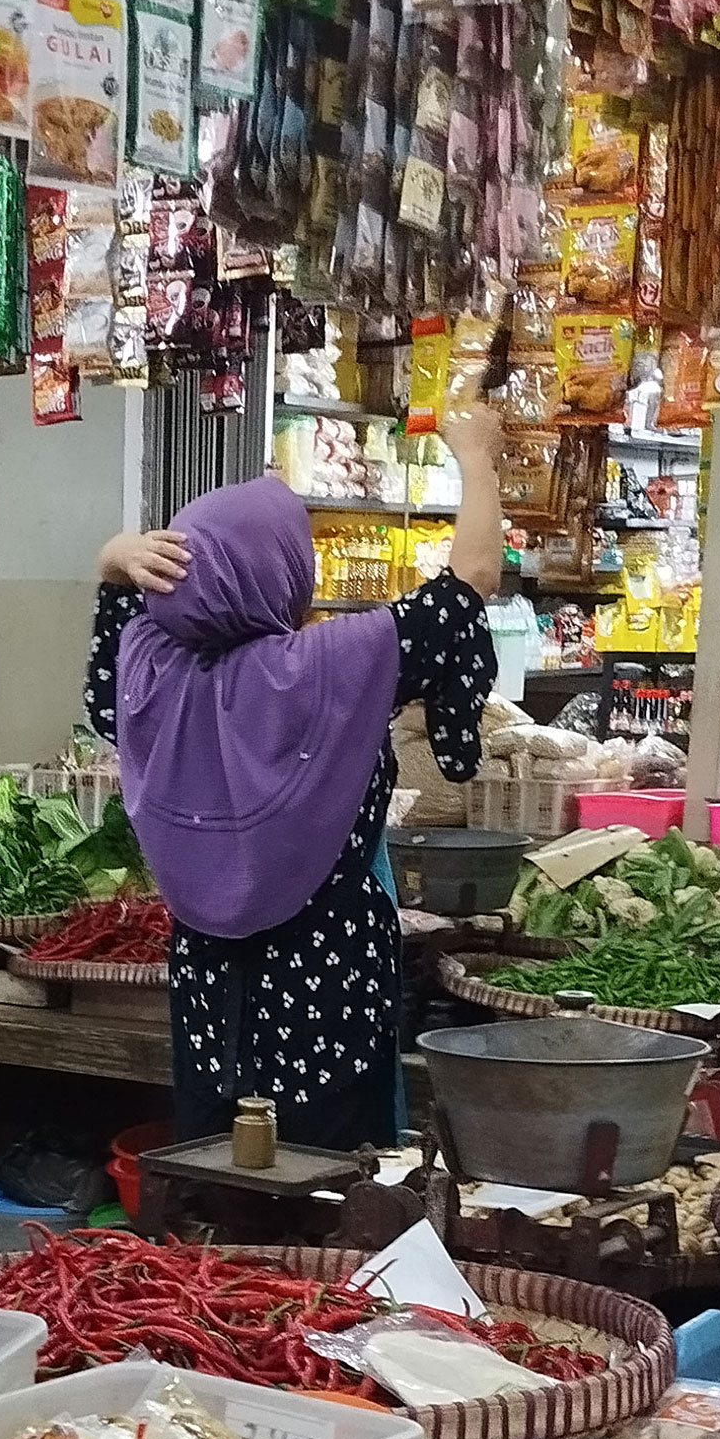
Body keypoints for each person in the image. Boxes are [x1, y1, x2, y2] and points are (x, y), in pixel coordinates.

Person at [83, 405, 506, 1149]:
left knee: (217, 1166)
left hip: (209, 992)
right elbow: (471, 578)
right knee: (331, 1178)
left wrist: (116, 556)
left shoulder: (145, 669)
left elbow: (121, 594)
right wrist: (475, 457)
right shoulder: (327, 666)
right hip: (329, 979)